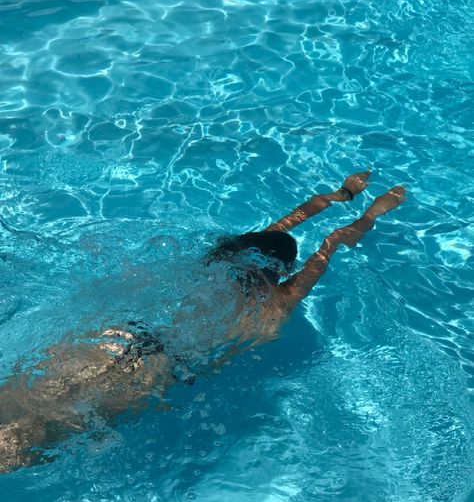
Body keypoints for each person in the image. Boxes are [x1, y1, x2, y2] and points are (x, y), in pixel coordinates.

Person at [0, 171, 406, 471]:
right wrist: (373, 211)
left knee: (18, 397)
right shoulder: (278, 301)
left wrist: (341, 192)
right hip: (160, 369)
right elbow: (334, 241)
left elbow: (283, 225)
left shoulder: (222, 263)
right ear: (283, 271)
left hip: (121, 336)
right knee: (29, 437)